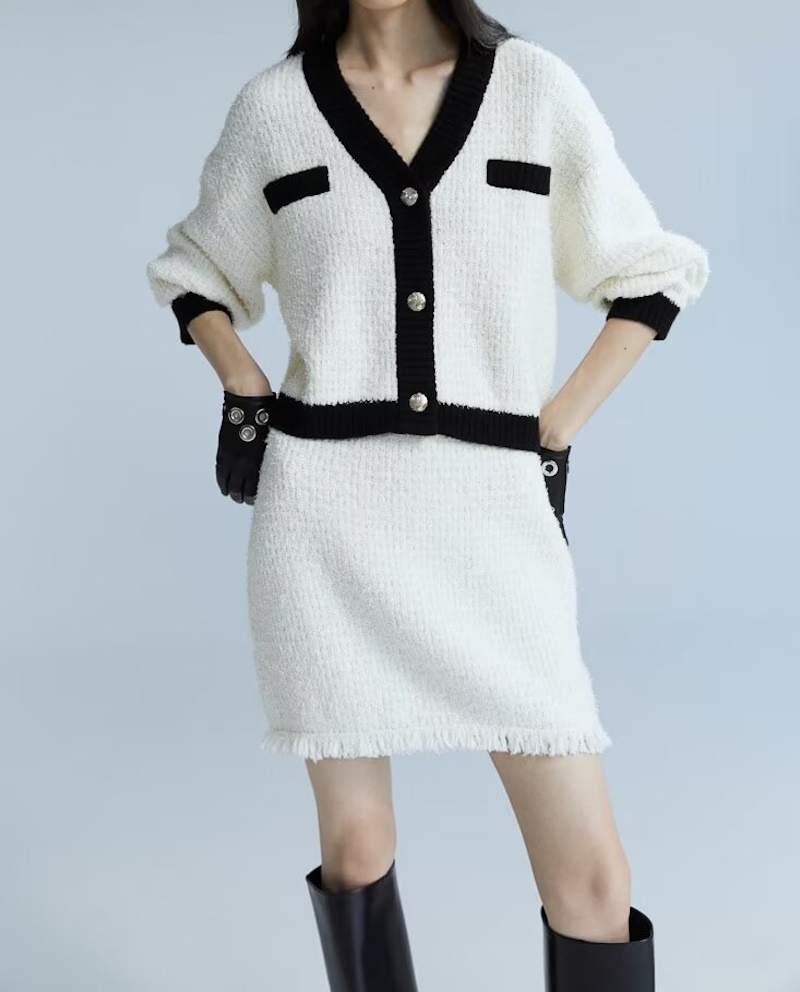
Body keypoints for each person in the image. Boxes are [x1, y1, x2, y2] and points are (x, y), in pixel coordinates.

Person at [145, 1, 710, 989]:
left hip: (491, 525)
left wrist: (556, 424)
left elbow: (653, 270)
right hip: (323, 528)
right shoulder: (275, 109)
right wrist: (241, 379)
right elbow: (195, 266)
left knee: (591, 879)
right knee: (356, 845)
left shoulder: (531, 89)